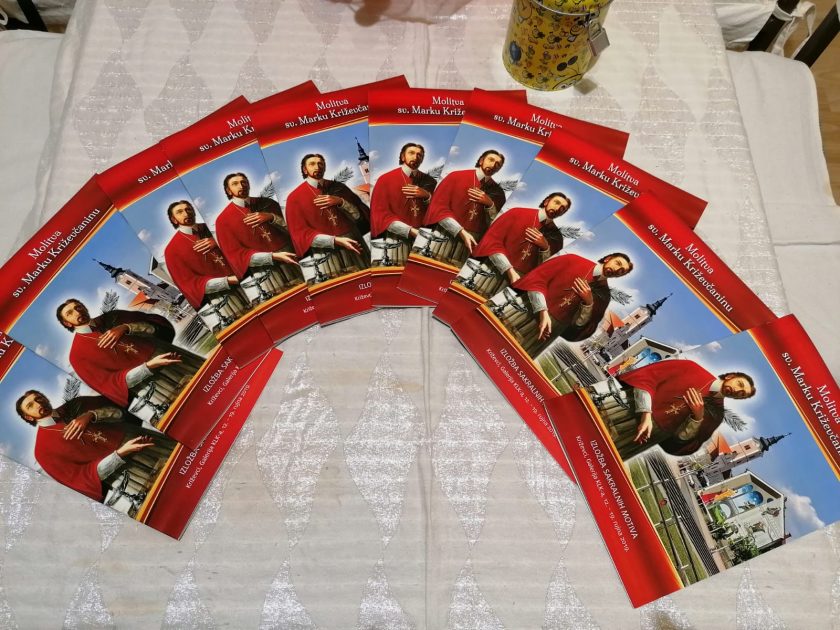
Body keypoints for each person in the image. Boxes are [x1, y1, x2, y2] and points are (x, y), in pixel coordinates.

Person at [15, 389, 175, 504]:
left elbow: (121, 412)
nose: (37, 404)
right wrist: (119, 454)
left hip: (140, 437)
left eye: (39, 398)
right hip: (128, 473)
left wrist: (92, 415)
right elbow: (82, 479)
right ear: (28, 417)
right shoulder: (42, 450)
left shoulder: (77, 404)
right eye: (30, 406)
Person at [56, 299, 204, 411]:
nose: (77, 312)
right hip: (155, 385)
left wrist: (128, 327)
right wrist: (148, 367)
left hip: (178, 359)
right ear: (67, 323)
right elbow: (110, 386)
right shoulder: (77, 355)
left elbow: (159, 325)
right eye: (70, 313)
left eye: (78, 307)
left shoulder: (113, 316)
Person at [590, 360, 756, 459]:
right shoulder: (691, 368)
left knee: (599, 457)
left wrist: (697, 418)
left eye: (742, 394)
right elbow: (647, 378)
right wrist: (646, 414)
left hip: (642, 437)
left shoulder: (716, 416)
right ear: (730, 376)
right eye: (739, 384)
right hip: (625, 408)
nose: (737, 390)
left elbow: (683, 443)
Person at [505, 252, 633, 357]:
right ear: (608, 259)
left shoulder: (604, 296)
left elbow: (582, 327)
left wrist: (588, 304)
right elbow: (538, 278)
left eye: (621, 271)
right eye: (617, 263)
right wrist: (543, 311)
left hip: (549, 331)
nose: (617, 269)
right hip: (528, 309)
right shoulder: (572, 260)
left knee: (516, 359)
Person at [458, 192, 570, 298]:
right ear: (546, 202)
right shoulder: (517, 213)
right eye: (556, 202)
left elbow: (544, 270)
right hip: (492, 269)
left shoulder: (557, 238)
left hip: (517, 282)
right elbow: (492, 241)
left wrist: (545, 248)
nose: (558, 208)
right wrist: (509, 269)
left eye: (562, 209)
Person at [214, 172, 302, 297]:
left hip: (291, 256)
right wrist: (272, 257)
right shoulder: (223, 221)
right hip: (264, 269)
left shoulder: (268, 203)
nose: (241, 186)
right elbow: (235, 255)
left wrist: (271, 217)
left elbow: (294, 228)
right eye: (235, 184)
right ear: (228, 190)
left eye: (244, 182)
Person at [164, 200, 250, 325]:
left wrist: (217, 241)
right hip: (221, 297)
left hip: (245, 279)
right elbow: (189, 284)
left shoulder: (213, 227)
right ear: (174, 219)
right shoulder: (172, 250)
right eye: (180, 212)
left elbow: (240, 243)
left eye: (188, 209)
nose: (186, 213)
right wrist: (228, 281)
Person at [284, 153, 371, 278]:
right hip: (326, 251)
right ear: (305, 169)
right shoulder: (294, 198)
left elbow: (360, 215)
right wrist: (334, 241)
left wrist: (341, 202)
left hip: (354, 241)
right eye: (312, 164)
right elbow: (299, 233)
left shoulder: (339, 187)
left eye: (321, 164)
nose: (317, 167)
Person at [417, 149, 507, 266]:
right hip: (445, 235)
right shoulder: (456, 177)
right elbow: (437, 207)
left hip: (469, 244)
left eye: (498, 164)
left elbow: (496, 226)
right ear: (481, 161)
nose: (494, 165)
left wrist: (490, 205)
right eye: (491, 160)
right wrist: (460, 231)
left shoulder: (499, 193)